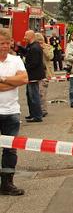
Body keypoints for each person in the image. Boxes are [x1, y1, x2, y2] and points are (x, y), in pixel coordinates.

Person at [0, 27, 29, 195]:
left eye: (6, 43)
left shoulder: (16, 60)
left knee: (10, 149)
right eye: (1, 43)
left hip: (11, 111)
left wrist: (3, 79)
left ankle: (7, 184)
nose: (4, 46)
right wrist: (13, 81)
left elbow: (24, 79)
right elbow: (18, 80)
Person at [22, 30, 45, 123]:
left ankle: (37, 116)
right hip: (31, 75)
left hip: (34, 76)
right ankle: (33, 114)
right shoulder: (31, 46)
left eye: (25, 35)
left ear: (30, 36)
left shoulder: (35, 48)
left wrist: (24, 68)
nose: (24, 37)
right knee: (29, 95)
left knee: (34, 96)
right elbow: (27, 52)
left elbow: (34, 63)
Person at [36, 33, 53, 118]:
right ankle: (37, 110)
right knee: (36, 93)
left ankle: (43, 110)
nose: (39, 43)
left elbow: (50, 57)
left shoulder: (48, 47)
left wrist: (43, 49)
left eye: (41, 41)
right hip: (36, 72)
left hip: (45, 72)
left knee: (42, 92)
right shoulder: (34, 47)